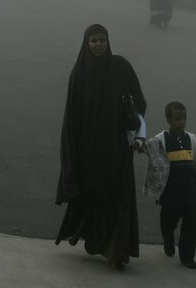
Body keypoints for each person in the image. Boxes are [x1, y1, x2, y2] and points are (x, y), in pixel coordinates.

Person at [55, 24, 147, 270]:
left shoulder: (120, 67)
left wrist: (136, 131)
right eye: (93, 40)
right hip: (88, 151)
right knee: (93, 197)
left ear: (108, 41)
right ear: (86, 44)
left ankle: (117, 250)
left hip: (117, 148)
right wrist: (71, 155)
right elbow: (71, 117)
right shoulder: (79, 74)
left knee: (119, 196)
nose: (98, 44)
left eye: (102, 40)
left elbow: (138, 100)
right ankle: (98, 241)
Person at [142, 101, 196, 269]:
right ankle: (168, 238)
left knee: (190, 225)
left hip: (189, 193)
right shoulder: (161, 139)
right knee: (167, 222)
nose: (181, 122)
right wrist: (140, 146)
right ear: (169, 120)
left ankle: (187, 256)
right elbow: (149, 149)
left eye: (184, 119)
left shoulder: (192, 139)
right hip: (170, 193)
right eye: (177, 119)